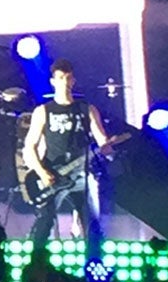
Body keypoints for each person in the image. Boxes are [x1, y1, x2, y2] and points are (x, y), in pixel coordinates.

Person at [22, 58, 112, 263]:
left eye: (68, 78)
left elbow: (101, 140)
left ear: (73, 81)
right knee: (44, 223)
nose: (64, 82)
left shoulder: (87, 109)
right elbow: (30, 146)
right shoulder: (43, 111)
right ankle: (36, 267)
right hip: (53, 174)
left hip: (82, 175)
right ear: (53, 81)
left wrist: (108, 148)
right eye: (60, 78)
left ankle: (94, 267)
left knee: (92, 223)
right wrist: (42, 173)